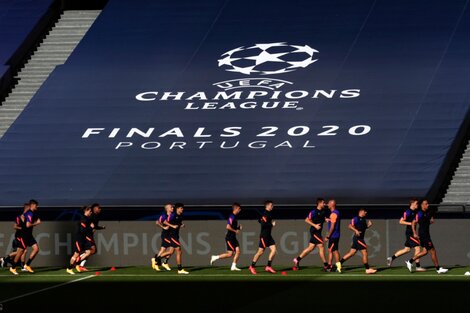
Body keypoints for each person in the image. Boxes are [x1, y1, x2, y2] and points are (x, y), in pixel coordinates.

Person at [405, 200, 448, 274]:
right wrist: (414, 233)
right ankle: (438, 269)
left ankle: (410, 261)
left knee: (425, 252)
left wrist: (430, 221)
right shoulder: (420, 213)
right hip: (424, 236)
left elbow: (425, 222)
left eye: (428, 204)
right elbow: (413, 222)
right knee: (433, 251)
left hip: (425, 235)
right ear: (422, 205)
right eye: (426, 204)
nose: (427, 205)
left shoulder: (426, 213)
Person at [387, 198, 424, 271]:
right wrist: (411, 223)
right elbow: (400, 221)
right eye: (416, 203)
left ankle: (391, 258)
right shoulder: (408, 212)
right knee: (417, 248)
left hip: (411, 232)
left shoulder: (416, 211)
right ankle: (418, 266)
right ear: (412, 204)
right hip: (410, 233)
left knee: (407, 249)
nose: (418, 205)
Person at [336, 208, 377, 274]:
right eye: (365, 211)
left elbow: (363, 228)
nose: (366, 213)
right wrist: (355, 230)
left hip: (359, 238)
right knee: (364, 251)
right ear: (361, 212)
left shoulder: (363, 219)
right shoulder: (356, 218)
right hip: (358, 238)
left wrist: (368, 226)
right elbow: (349, 226)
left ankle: (339, 264)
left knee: (351, 253)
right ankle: (367, 269)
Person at [293, 198, 328, 271]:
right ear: (319, 203)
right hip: (314, 231)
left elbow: (322, 219)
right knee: (321, 246)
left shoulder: (323, 212)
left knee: (310, 248)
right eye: (323, 203)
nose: (325, 204)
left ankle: (297, 259)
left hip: (318, 232)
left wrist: (327, 220)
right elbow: (306, 220)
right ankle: (326, 265)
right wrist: (315, 225)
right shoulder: (313, 212)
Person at [10, 199, 41, 274]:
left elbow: (24, 219)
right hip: (24, 235)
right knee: (20, 251)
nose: (38, 206)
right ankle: (13, 267)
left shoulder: (31, 213)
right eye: (36, 205)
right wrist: (36, 223)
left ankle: (27, 265)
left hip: (29, 235)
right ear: (33, 205)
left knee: (36, 249)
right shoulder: (30, 213)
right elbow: (27, 225)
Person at [210, 203, 242, 271]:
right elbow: (228, 227)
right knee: (230, 254)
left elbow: (233, 228)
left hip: (233, 237)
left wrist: (238, 228)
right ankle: (215, 257)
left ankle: (233, 266)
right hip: (229, 238)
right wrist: (236, 231)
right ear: (235, 208)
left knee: (238, 251)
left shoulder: (235, 217)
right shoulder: (232, 216)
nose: (240, 210)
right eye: (239, 209)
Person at [248, 200, 277, 275]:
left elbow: (259, 220)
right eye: (271, 205)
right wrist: (271, 225)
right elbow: (263, 224)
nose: (272, 206)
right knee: (260, 252)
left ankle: (268, 266)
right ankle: (252, 266)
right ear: (267, 206)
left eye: (272, 205)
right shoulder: (265, 214)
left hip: (268, 236)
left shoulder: (268, 214)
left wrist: (262, 220)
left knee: (274, 250)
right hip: (264, 236)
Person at [66, 206, 95, 275]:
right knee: (76, 255)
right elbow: (82, 230)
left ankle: (77, 264)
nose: (91, 212)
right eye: (90, 211)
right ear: (86, 211)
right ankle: (69, 268)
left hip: (84, 239)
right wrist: (91, 228)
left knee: (89, 252)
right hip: (79, 239)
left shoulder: (88, 219)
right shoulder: (83, 219)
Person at [77, 203, 105, 271]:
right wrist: (90, 227)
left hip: (90, 235)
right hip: (87, 235)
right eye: (99, 208)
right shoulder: (91, 216)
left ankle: (81, 265)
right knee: (92, 250)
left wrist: (101, 227)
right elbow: (85, 224)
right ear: (95, 208)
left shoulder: (96, 216)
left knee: (91, 252)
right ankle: (78, 261)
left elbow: (94, 226)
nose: (100, 209)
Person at [1, 203, 29, 269]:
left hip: (23, 237)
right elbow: (15, 226)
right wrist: (22, 228)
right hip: (18, 237)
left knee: (23, 251)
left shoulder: (27, 218)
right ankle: (6, 259)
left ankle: (5, 259)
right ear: (26, 209)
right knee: (24, 251)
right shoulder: (19, 217)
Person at [164, 203, 188, 274]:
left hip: (176, 235)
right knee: (179, 251)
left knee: (171, 252)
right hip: (172, 235)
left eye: (182, 208)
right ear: (177, 209)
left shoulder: (181, 215)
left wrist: (181, 225)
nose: (182, 209)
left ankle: (157, 258)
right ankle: (180, 269)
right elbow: (165, 221)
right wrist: (172, 226)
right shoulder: (173, 215)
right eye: (181, 208)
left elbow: (178, 223)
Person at [151, 203, 174, 271]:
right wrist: (163, 227)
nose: (172, 208)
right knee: (171, 249)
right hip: (166, 235)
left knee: (163, 250)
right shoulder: (164, 216)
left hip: (171, 235)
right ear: (167, 209)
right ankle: (159, 261)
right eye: (171, 207)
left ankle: (157, 263)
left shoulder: (173, 215)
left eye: (172, 207)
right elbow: (157, 222)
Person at [325, 199, 341, 272]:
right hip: (335, 235)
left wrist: (328, 236)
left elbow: (332, 227)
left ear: (332, 204)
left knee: (334, 251)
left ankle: (339, 267)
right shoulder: (335, 213)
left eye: (328, 203)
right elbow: (333, 221)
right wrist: (328, 219)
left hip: (333, 236)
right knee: (330, 250)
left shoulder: (333, 214)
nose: (327, 204)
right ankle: (329, 266)